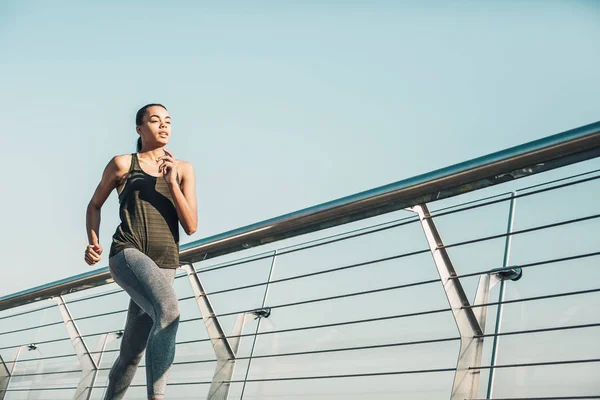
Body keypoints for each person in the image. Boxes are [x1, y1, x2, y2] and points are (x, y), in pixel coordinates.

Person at [84, 104, 198, 400]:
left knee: (132, 351)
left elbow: (191, 226)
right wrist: (92, 241)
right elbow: (94, 204)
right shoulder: (122, 164)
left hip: (166, 262)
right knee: (169, 311)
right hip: (127, 252)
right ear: (139, 129)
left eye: (168, 121)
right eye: (155, 120)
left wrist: (172, 183)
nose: (163, 125)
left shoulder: (183, 169)